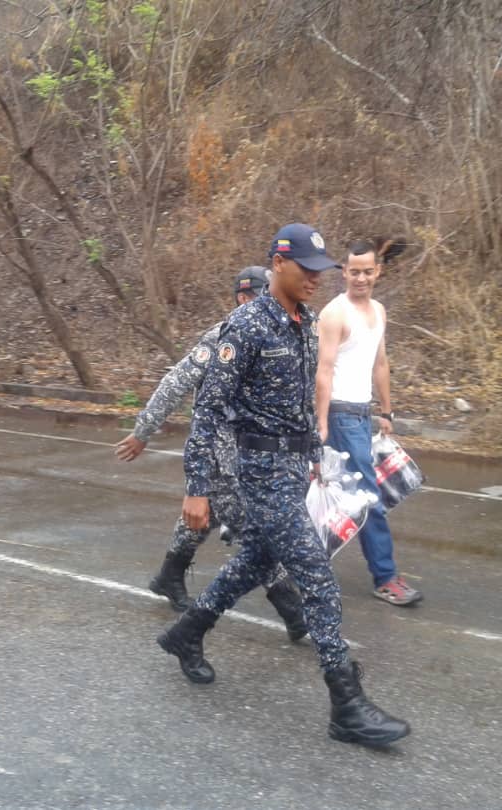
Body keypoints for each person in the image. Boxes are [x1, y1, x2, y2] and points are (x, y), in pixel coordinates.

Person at [156, 223, 410, 749]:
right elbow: (208, 412)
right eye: (307, 269)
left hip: (295, 469)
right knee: (315, 578)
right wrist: (196, 488)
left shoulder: (305, 323)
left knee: (252, 563)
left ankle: (188, 632)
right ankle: (347, 704)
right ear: (278, 263)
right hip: (262, 474)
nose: (317, 278)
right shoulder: (246, 327)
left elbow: (302, 399)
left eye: (323, 270)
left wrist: (316, 454)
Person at [115, 267, 307, 641]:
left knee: (206, 518)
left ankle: (170, 575)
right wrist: (143, 432)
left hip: (252, 455)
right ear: (244, 298)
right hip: (221, 460)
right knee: (257, 534)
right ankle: (295, 614)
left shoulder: (277, 336)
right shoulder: (222, 339)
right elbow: (175, 383)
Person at [315, 238, 422, 606]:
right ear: (343, 272)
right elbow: (323, 370)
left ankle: (290, 563)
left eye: (367, 271)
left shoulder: (378, 310)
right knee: (368, 499)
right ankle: (386, 577)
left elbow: (380, 363)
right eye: (354, 271)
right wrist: (322, 422)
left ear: (378, 271)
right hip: (340, 415)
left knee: (331, 497)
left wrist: (386, 412)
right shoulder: (334, 314)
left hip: (361, 415)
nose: (361, 278)